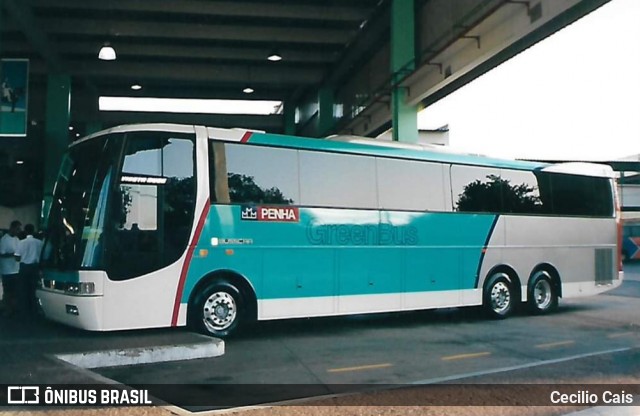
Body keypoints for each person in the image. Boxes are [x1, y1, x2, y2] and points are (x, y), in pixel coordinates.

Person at [15, 224, 44, 317]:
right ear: (33, 230)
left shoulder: (21, 242)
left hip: (24, 267)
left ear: (25, 231)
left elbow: (17, 257)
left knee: (23, 289)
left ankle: (24, 311)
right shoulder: (39, 242)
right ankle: (34, 310)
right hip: (35, 267)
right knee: (33, 289)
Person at [0, 221, 22, 316]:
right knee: (8, 291)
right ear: (12, 228)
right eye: (17, 229)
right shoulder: (4, 240)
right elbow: (1, 254)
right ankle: (7, 310)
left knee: (15, 291)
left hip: (16, 269)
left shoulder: (17, 239)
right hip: (7, 271)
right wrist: (13, 255)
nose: (19, 231)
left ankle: (14, 309)